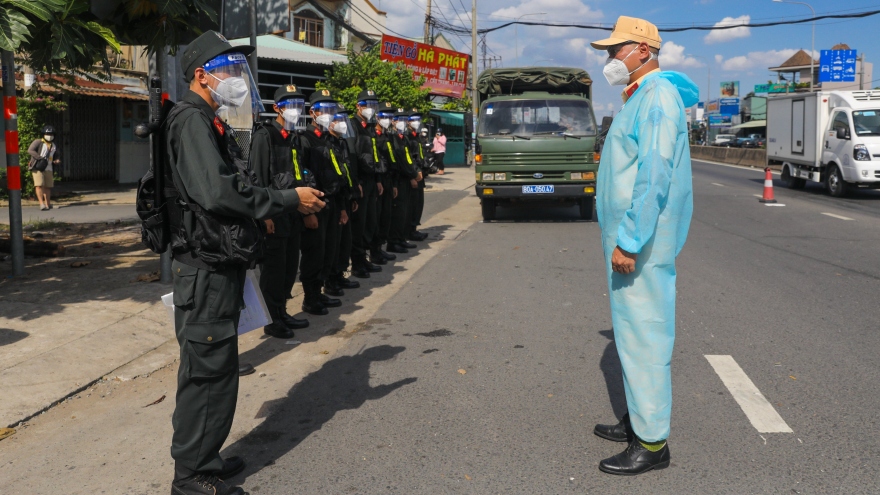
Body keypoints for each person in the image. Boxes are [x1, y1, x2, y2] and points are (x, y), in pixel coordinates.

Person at [164, 31, 325, 495]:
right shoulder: (191, 121)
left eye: (239, 69)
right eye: (229, 70)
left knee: (216, 369)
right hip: (205, 270)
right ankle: (191, 475)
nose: (238, 78)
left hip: (218, 267)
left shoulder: (207, 119)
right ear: (202, 76)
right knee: (206, 373)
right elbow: (217, 192)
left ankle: (205, 458)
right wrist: (287, 198)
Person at [589, 16, 697, 476]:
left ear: (644, 51)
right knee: (632, 334)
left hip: (642, 241)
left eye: (616, 50)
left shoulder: (654, 97)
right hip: (635, 239)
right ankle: (639, 420)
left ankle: (652, 445)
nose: (610, 59)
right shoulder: (640, 96)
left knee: (644, 335)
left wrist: (630, 240)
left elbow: (653, 176)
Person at [250, 84, 311, 339]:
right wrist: (265, 215)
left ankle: (282, 311)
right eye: (290, 105)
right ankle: (272, 320)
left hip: (292, 211)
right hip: (275, 213)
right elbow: (258, 177)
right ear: (277, 108)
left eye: (299, 105)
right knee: (273, 272)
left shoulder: (295, 136)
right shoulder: (266, 135)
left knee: (288, 268)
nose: (296, 110)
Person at [298, 90, 352, 313]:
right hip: (314, 205)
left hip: (331, 203)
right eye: (325, 110)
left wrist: (341, 207)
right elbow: (302, 177)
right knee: (314, 253)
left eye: (332, 110)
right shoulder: (304, 139)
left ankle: (320, 291)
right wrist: (308, 213)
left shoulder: (330, 140)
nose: (330, 114)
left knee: (328, 250)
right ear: (313, 112)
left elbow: (337, 174)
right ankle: (310, 298)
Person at [348, 90, 383, 279]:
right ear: (358, 106)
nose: (370, 109)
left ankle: (365, 258)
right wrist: (355, 183)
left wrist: (377, 179)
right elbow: (352, 157)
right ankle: (357, 263)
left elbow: (374, 155)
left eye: (373, 105)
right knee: (359, 224)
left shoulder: (369, 127)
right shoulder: (352, 125)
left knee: (370, 220)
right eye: (367, 105)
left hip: (371, 180)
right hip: (360, 181)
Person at [386, 108, 419, 254]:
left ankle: (400, 239)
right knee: (397, 211)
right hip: (398, 179)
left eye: (405, 120)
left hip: (405, 178)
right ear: (393, 121)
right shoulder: (392, 137)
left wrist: (413, 172)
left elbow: (408, 158)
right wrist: (411, 174)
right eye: (400, 119)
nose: (403, 123)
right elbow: (398, 160)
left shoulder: (403, 137)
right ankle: (393, 241)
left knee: (404, 211)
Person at [371, 102, 398, 264]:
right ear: (377, 117)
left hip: (388, 180)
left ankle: (380, 248)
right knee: (377, 217)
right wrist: (378, 180)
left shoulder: (387, 135)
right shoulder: (374, 135)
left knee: (386, 216)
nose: (387, 119)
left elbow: (391, 160)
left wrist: (393, 183)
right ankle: (374, 251)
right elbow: (375, 161)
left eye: (389, 116)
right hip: (379, 181)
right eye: (384, 116)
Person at [406, 109, 428, 242]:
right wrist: (413, 174)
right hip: (414, 174)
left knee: (419, 203)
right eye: (413, 119)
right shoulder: (407, 136)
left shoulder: (416, 135)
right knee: (412, 205)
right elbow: (409, 157)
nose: (416, 122)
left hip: (420, 173)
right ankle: (409, 231)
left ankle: (414, 228)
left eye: (418, 119)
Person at [27, 125, 61, 211]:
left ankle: (48, 204)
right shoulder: (38, 142)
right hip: (38, 166)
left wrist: (56, 160)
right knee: (39, 185)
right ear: (43, 134)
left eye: (51, 134)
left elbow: (56, 156)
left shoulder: (53, 145)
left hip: (49, 167)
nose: (49, 135)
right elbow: (30, 150)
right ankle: (41, 204)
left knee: (48, 186)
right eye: (47, 133)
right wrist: (40, 158)